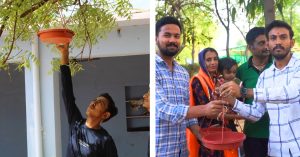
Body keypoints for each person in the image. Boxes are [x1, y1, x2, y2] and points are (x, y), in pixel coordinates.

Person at [220, 20, 300, 157]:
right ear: (269, 44)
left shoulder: (298, 67)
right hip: (275, 149)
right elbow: (256, 113)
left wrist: (244, 91)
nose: (278, 42)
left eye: (283, 37)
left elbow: (291, 93)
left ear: (291, 43)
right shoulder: (265, 76)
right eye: (273, 38)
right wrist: (232, 100)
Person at [155, 16, 226, 157]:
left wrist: (200, 135)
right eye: (167, 35)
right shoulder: (152, 68)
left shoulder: (182, 73)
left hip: (182, 150)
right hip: (161, 150)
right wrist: (206, 109)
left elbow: (188, 111)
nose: (173, 40)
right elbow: (162, 109)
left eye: (177, 36)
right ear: (156, 38)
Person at [58, 43, 118, 157]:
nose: (93, 102)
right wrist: (64, 54)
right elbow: (67, 93)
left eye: (100, 102)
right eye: (95, 99)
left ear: (105, 115)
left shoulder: (105, 140)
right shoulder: (76, 123)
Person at [187, 49, 238, 157]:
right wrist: (240, 114)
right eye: (208, 60)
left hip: (223, 128)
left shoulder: (219, 80)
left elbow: (229, 102)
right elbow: (210, 110)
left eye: (215, 59)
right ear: (202, 62)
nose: (213, 62)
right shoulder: (197, 81)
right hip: (206, 131)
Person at [236, 27, 272, 157]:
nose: (267, 46)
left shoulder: (277, 66)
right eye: (261, 43)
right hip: (252, 133)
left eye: (268, 42)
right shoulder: (241, 71)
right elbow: (238, 98)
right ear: (251, 47)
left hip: (278, 132)